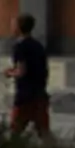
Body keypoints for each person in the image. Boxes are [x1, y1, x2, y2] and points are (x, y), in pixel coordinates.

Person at [5, 13, 53, 141]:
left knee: (15, 131)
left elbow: (22, 71)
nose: (11, 27)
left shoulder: (19, 47)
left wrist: (10, 73)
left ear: (18, 28)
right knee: (44, 131)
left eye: (13, 25)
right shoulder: (38, 46)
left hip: (25, 96)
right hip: (40, 93)